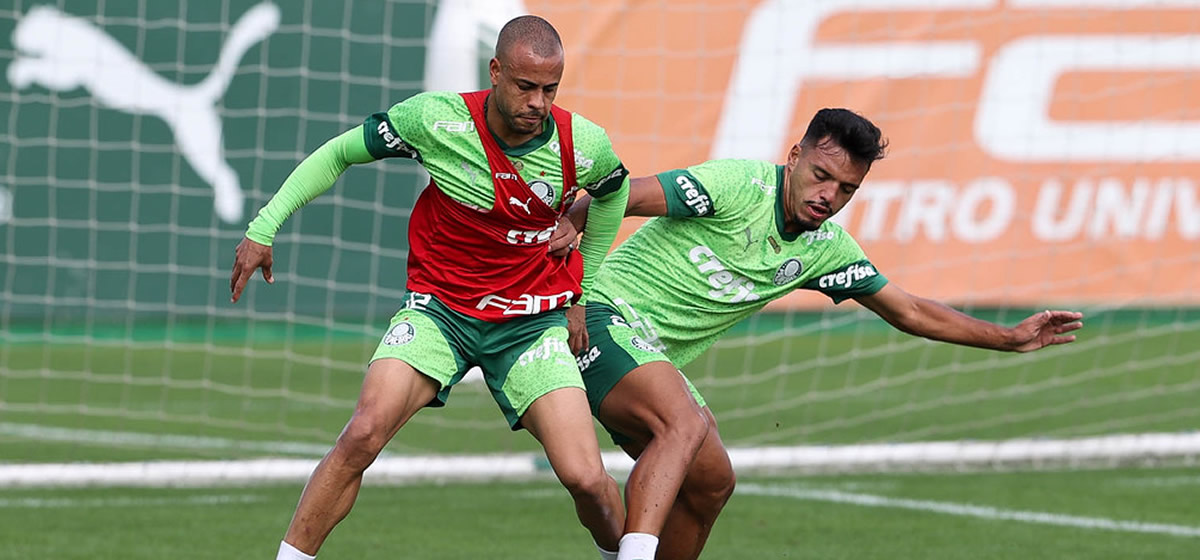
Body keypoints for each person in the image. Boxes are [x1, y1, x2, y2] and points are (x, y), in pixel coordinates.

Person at [550, 107, 1085, 560]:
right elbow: (621, 194)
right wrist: (573, 221)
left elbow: (912, 312)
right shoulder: (738, 186)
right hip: (599, 317)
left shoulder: (824, 249)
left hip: (650, 357)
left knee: (712, 483)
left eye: (846, 188)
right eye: (821, 175)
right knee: (684, 425)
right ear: (794, 158)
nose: (829, 195)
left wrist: (1009, 338)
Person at [229, 15, 657, 560]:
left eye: (550, 89)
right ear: (495, 71)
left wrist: (580, 292)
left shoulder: (584, 143)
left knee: (588, 479)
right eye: (525, 87)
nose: (538, 103)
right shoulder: (436, 119)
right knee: (362, 434)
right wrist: (265, 226)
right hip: (441, 314)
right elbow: (339, 153)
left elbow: (614, 192)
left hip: (529, 323)